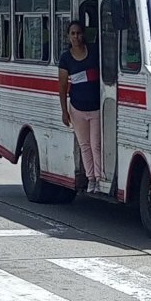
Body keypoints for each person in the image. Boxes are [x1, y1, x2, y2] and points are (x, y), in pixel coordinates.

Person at [58, 20, 101, 193]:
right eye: (72, 34)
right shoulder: (65, 58)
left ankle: (99, 179)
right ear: (68, 36)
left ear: (83, 34)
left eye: (78, 33)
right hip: (76, 108)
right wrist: (64, 111)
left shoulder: (94, 52)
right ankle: (90, 179)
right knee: (84, 145)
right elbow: (62, 87)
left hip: (96, 107)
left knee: (96, 145)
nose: (76, 37)